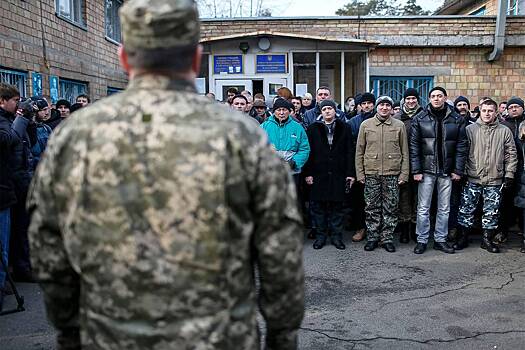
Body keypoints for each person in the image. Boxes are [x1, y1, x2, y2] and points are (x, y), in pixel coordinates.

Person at [27, 1, 304, 349]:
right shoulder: (242, 135)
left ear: (125, 58)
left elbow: (48, 244)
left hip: (111, 336)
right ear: (196, 58)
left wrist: (69, 328)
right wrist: (282, 334)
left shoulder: (75, 135)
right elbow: (280, 247)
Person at [410, 87, 468, 254]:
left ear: (445, 98)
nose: (436, 99)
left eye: (439, 96)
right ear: (429, 98)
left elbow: (461, 146)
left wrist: (458, 170)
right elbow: (414, 146)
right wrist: (416, 170)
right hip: (426, 171)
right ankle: (421, 240)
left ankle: (440, 240)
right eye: (433, 96)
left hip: (447, 172)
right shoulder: (419, 118)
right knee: (423, 207)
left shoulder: (456, 119)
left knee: (444, 208)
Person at [456, 99, 517, 253]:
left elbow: (511, 154)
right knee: (466, 210)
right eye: (484, 110)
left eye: (490, 111)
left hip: (495, 179)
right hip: (472, 177)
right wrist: (461, 172)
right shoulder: (470, 129)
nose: (487, 113)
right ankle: (463, 237)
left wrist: (509, 174)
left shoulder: (504, 131)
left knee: (491, 211)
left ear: (496, 112)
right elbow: (462, 152)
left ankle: (486, 240)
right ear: (479, 112)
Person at [356, 96, 409, 253]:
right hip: (371, 172)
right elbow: (359, 151)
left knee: (391, 208)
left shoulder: (399, 125)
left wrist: (404, 174)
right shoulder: (366, 125)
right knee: (371, 207)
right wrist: (360, 174)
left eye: (387, 105)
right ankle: (372, 237)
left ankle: (387, 238)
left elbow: (404, 151)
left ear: (391, 108)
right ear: (376, 107)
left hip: (392, 173)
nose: (384, 108)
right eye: (381, 105)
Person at [303, 99, 355, 250]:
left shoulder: (344, 127)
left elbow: (349, 151)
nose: (327, 111)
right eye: (324, 109)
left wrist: (350, 173)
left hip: (338, 173)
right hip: (319, 174)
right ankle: (320, 237)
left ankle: (336, 237)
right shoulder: (313, 128)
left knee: (337, 208)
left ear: (335, 111)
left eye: (330, 109)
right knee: (318, 208)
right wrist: (308, 173)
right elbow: (308, 153)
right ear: (321, 111)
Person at [0, 83, 22, 310]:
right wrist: (21, 121)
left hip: (6, 188)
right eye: (15, 101)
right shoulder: (4, 122)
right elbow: (9, 139)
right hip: (3, 191)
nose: (17, 105)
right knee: (2, 248)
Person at [261, 98, 310, 190]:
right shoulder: (264, 126)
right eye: (278, 110)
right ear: (274, 111)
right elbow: (258, 148)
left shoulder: (297, 127)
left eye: (284, 110)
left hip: (292, 172)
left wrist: (294, 162)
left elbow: (304, 148)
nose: (282, 112)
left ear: (289, 111)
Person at [394, 88, 422, 243]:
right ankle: (404, 229)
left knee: (419, 198)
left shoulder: (424, 115)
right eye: (408, 98)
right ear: (404, 100)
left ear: (417, 99)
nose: (411, 101)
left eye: (413, 98)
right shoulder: (397, 118)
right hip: (402, 163)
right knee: (404, 198)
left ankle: (416, 229)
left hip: (421, 163)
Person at [348, 92, 377, 242]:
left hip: (377, 163)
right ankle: (361, 227)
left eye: (369, 103)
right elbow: (351, 145)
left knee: (376, 200)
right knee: (359, 200)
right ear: (360, 105)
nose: (366, 106)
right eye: (363, 103)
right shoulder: (353, 122)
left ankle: (376, 229)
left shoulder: (380, 119)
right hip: (358, 164)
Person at [499, 97, 525, 243]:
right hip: (506, 169)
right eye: (511, 107)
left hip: (523, 168)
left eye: (517, 106)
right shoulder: (503, 125)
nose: (514, 109)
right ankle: (503, 231)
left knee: (522, 204)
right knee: (505, 202)